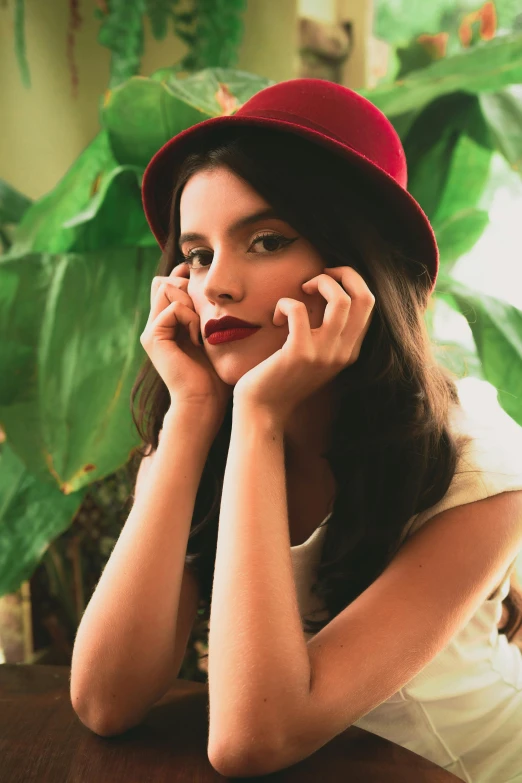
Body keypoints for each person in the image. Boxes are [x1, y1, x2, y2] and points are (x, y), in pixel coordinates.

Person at [70, 79, 522, 782]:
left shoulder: (482, 470)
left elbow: (253, 738)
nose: (215, 285)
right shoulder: (202, 429)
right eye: (197, 254)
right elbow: (106, 699)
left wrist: (259, 415)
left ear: (358, 269)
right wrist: (192, 418)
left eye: (266, 240)